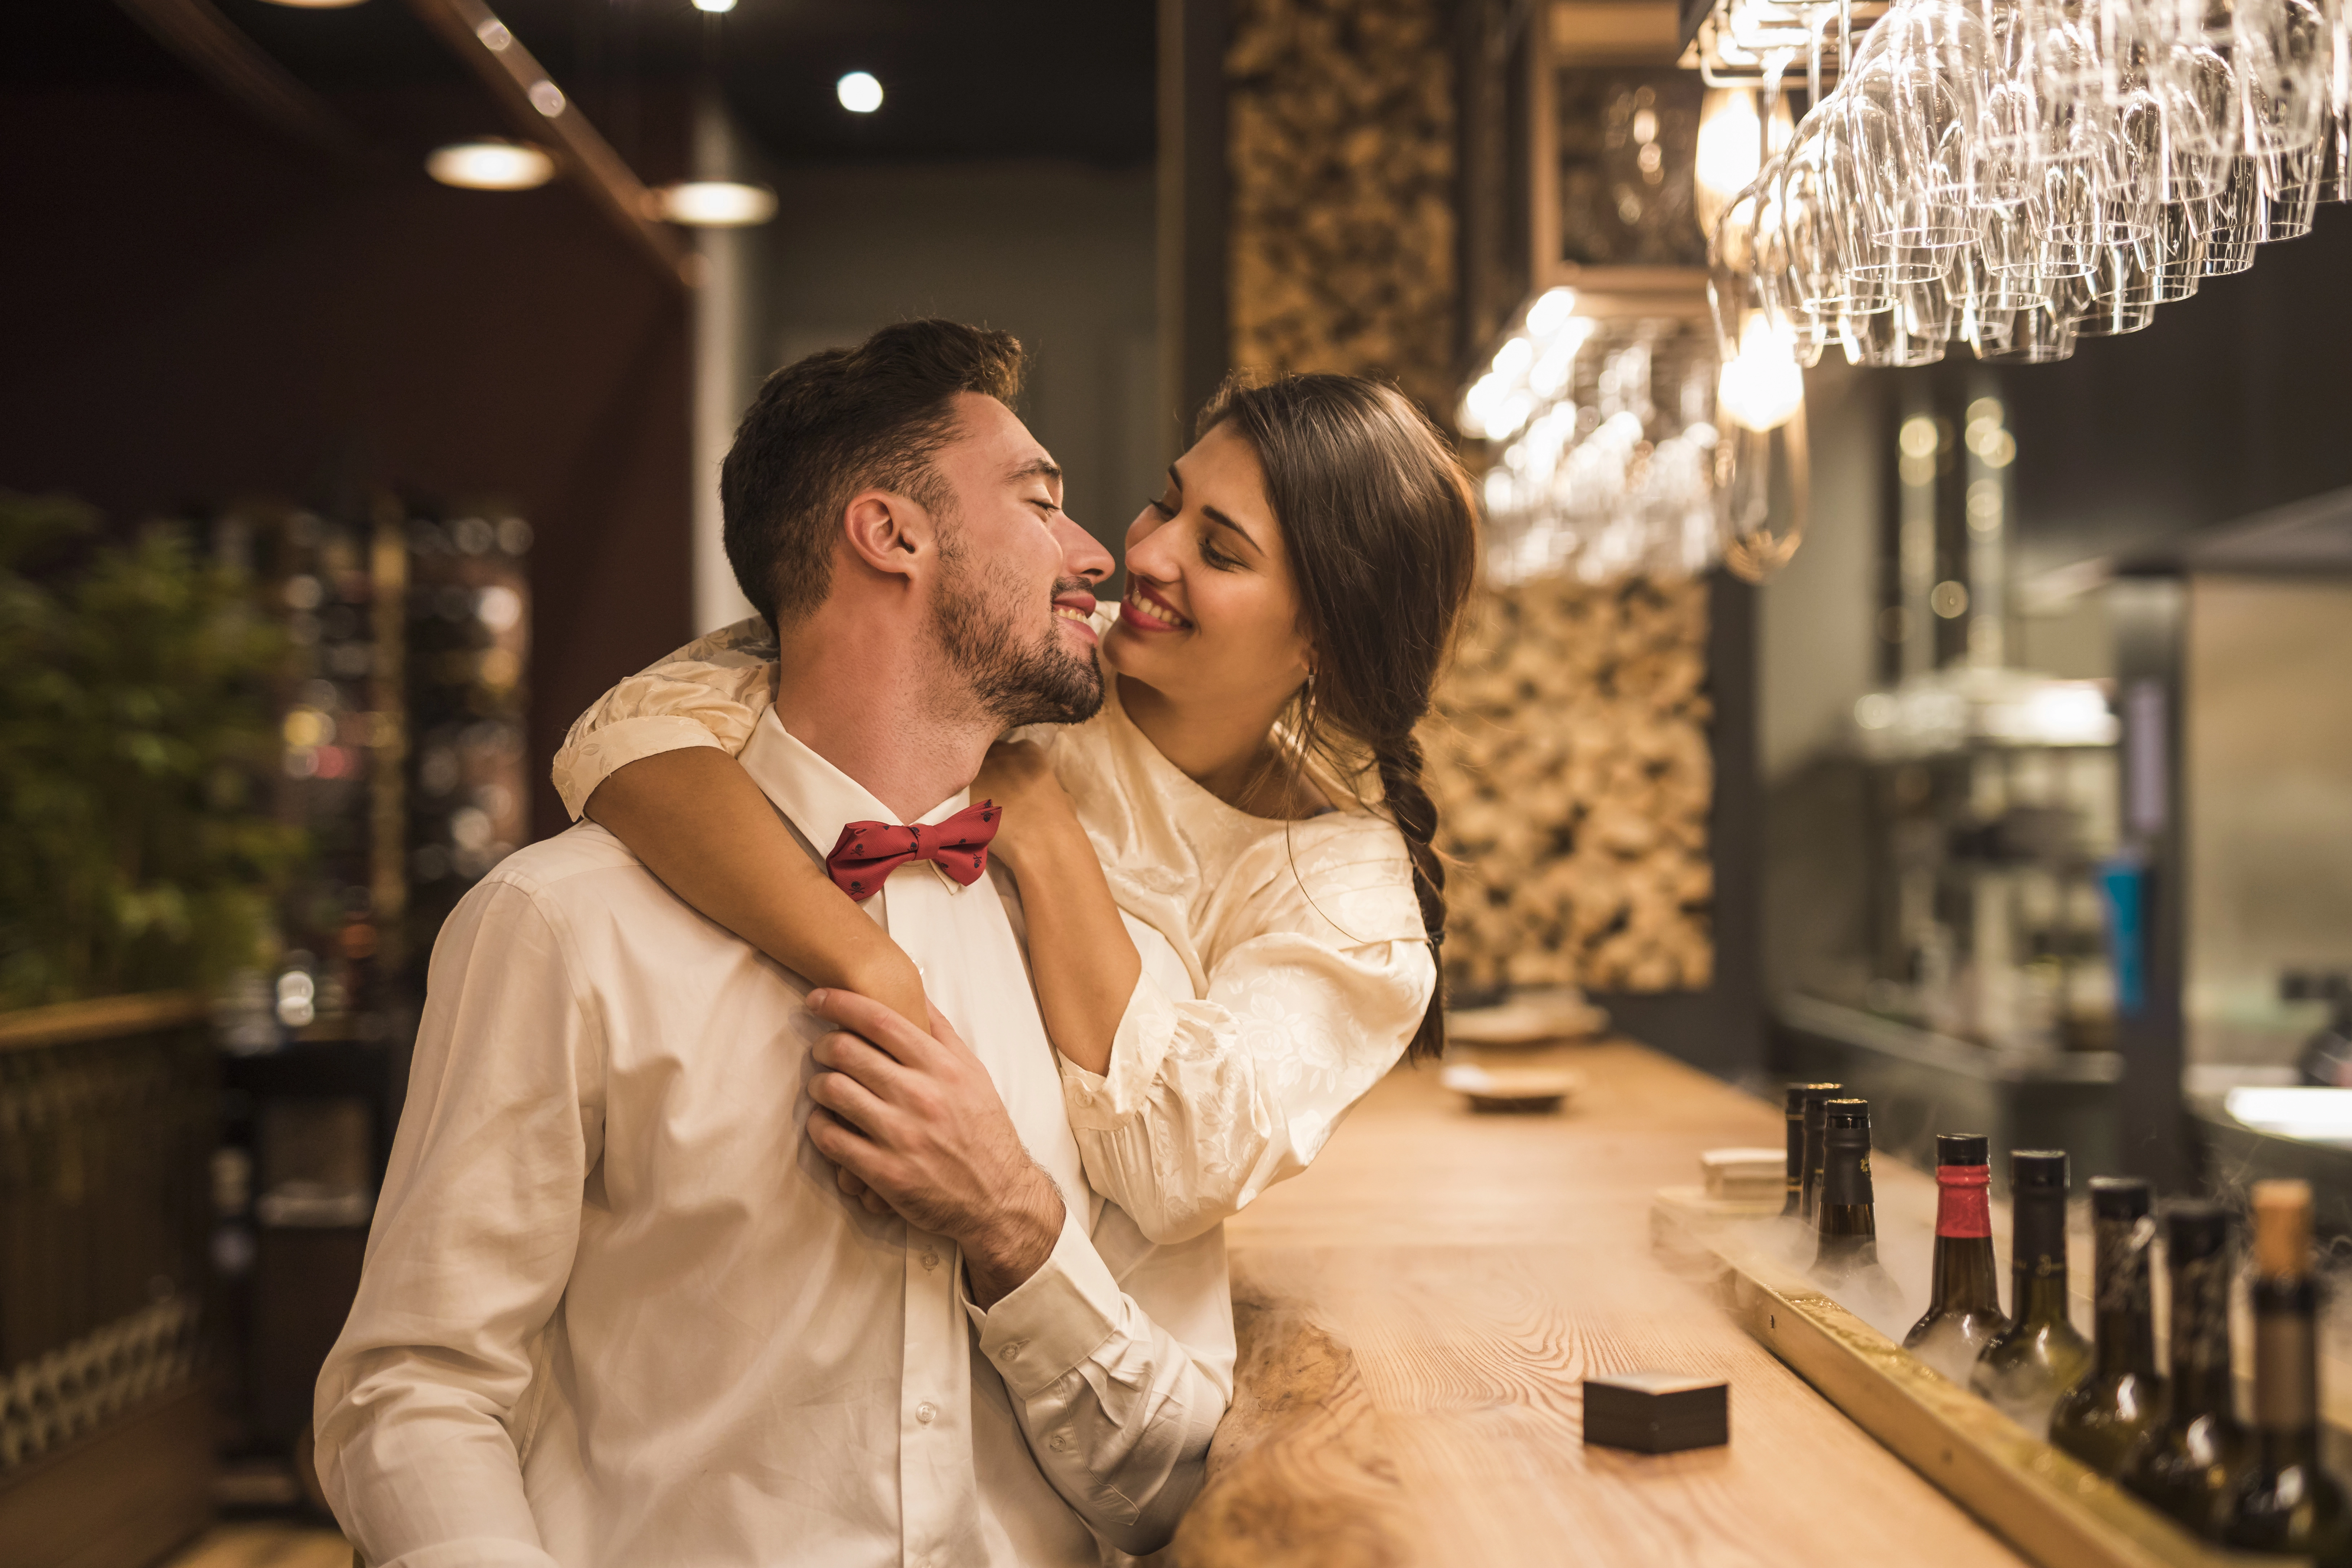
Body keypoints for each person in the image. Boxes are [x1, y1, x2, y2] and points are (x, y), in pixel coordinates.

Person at [315, 321, 1234, 1568]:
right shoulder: (563, 927)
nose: (1092, 556)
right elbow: (414, 1392)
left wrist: (1016, 1226)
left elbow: (1178, 1485)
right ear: (890, 532)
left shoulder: (1118, 973)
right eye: (1041, 502)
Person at [557, 369, 1479, 1247]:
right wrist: (871, 969)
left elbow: (1179, 1167)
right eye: (1167, 502)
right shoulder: (1038, 649)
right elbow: (626, 730)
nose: (1143, 553)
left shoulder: (1346, 899)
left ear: (1323, 634)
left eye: (1221, 551)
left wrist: (1044, 838)